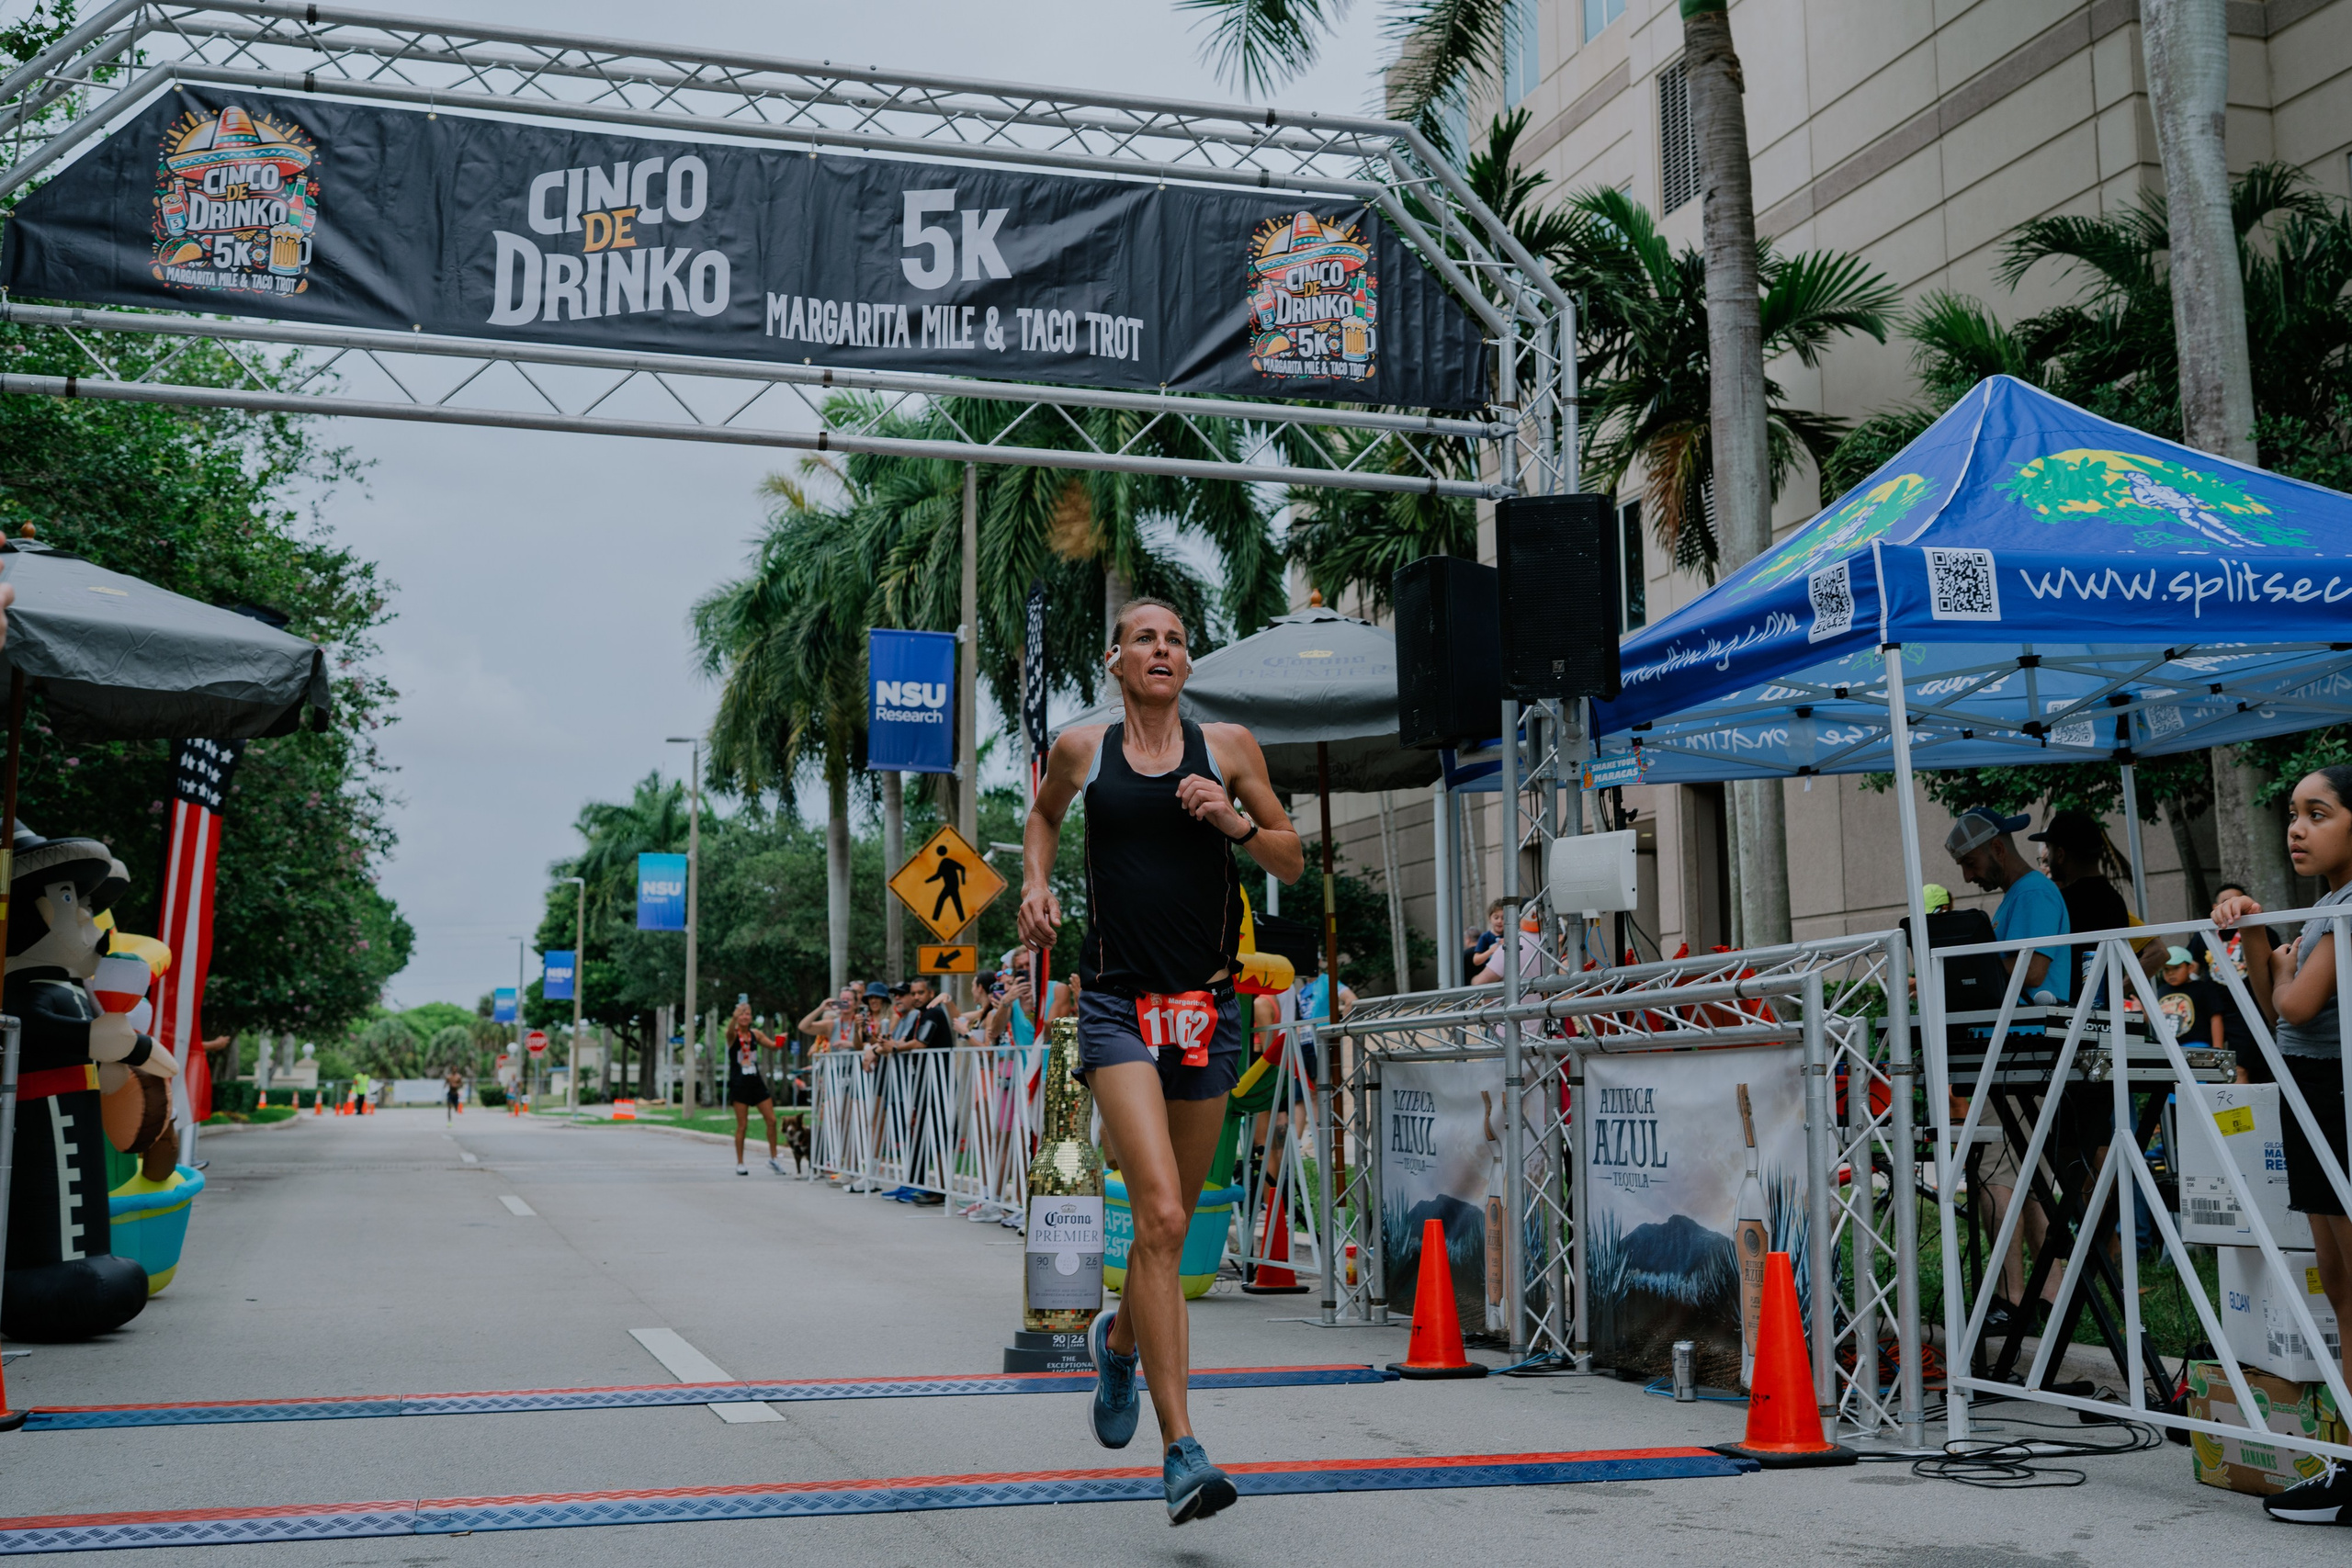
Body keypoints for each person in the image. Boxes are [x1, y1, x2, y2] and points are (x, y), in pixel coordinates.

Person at [1020, 596, 1303, 1526]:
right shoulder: (1082, 749)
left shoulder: (1228, 749)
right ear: (1115, 660)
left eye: (1176, 639)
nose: (1162, 648)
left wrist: (1232, 821)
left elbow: (1292, 859)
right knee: (1164, 1212)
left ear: (1188, 662)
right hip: (1115, 1005)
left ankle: (1116, 1346)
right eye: (1144, 637)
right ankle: (1182, 1450)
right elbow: (1042, 818)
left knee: (1164, 1236)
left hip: (1207, 1010)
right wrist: (1033, 885)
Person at [2218, 766, 2352, 1526]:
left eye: (2318, 813)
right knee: (2339, 1284)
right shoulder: (2326, 906)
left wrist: (2282, 959)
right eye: (2294, 814)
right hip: (2312, 1095)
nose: (2297, 828)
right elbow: (2273, 995)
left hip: (2338, 1096)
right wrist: (2258, 930)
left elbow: (2293, 1002)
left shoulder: (2348, 908)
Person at [1947, 808, 2073, 1005]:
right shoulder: (2022, 892)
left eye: (1970, 863)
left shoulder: (2033, 892)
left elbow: (2032, 971)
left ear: (1998, 849)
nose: (1967, 876)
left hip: (2030, 1022)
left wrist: (1965, 969)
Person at [722, 1000, 784, 1176]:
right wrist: (733, 1018)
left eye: (747, 1013)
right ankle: (740, 1163)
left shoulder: (756, 1034)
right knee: (742, 1125)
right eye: (741, 1013)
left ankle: (774, 1158)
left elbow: (773, 1047)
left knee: (771, 1120)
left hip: (756, 1082)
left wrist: (781, 1040)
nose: (744, 1016)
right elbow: (729, 1031)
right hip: (739, 1084)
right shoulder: (733, 1035)